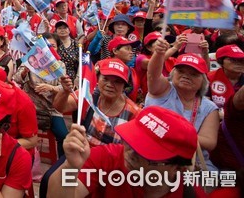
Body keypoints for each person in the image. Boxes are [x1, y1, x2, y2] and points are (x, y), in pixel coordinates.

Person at [47, 106, 204, 197]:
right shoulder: (106, 158)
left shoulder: (189, 193)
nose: (131, 154)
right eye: (131, 142)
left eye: (147, 154)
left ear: (178, 168)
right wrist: (70, 167)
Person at [146, 40, 220, 171]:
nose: (186, 76)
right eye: (181, 71)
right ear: (173, 74)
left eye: (193, 74)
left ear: (203, 81)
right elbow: (153, 74)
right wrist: (158, 53)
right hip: (154, 158)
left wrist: (168, 132)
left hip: (193, 163)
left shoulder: (209, 107)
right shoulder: (162, 90)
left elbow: (209, 142)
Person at [53, 58, 141, 147]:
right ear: (98, 79)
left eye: (117, 82)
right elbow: (60, 107)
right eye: (105, 79)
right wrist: (65, 91)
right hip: (80, 154)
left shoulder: (134, 113)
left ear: (124, 86)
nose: (110, 85)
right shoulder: (88, 95)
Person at [13, 33, 70, 156]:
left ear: (57, 48)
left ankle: (60, 167)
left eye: (52, 46)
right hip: (30, 106)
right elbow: (16, 79)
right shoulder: (31, 60)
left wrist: (51, 88)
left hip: (51, 108)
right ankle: (21, 159)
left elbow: (65, 87)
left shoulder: (60, 66)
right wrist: (24, 72)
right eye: (46, 46)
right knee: (15, 131)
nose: (49, 49)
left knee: (64, 137)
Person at [207, 44, 244, 118]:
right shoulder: (209, 78)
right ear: (221, 61)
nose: (239, 63)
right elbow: (203, 104)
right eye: (233, 60)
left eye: (242, 60)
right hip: (214, 118)